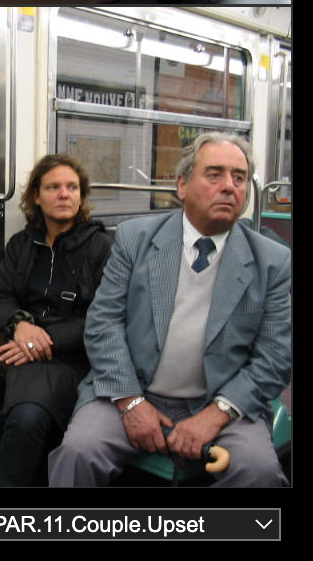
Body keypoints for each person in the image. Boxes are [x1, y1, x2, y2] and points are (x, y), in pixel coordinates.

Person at [48, 133, 291, 487]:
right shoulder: (135, 239)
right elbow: (103, 324)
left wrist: (216, 414)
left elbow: (275, 357)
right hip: (132, 388)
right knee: (77, 452)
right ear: (182, 185)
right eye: (214, 174)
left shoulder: (272, 262)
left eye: (239, 178)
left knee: (259, 472)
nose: (229, 187)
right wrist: (131, 403)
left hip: (223, 401)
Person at [0, 154, 112, 486]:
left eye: (72, 187)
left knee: (27, 419)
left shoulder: (102, 249)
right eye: (53, 187)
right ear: (36, 197)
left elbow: (102, 318)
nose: (64, 194)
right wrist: (20, 325)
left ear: (81, 196)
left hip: (66, 361)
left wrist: (43, 340)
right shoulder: (23, 244)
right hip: (15, 347)